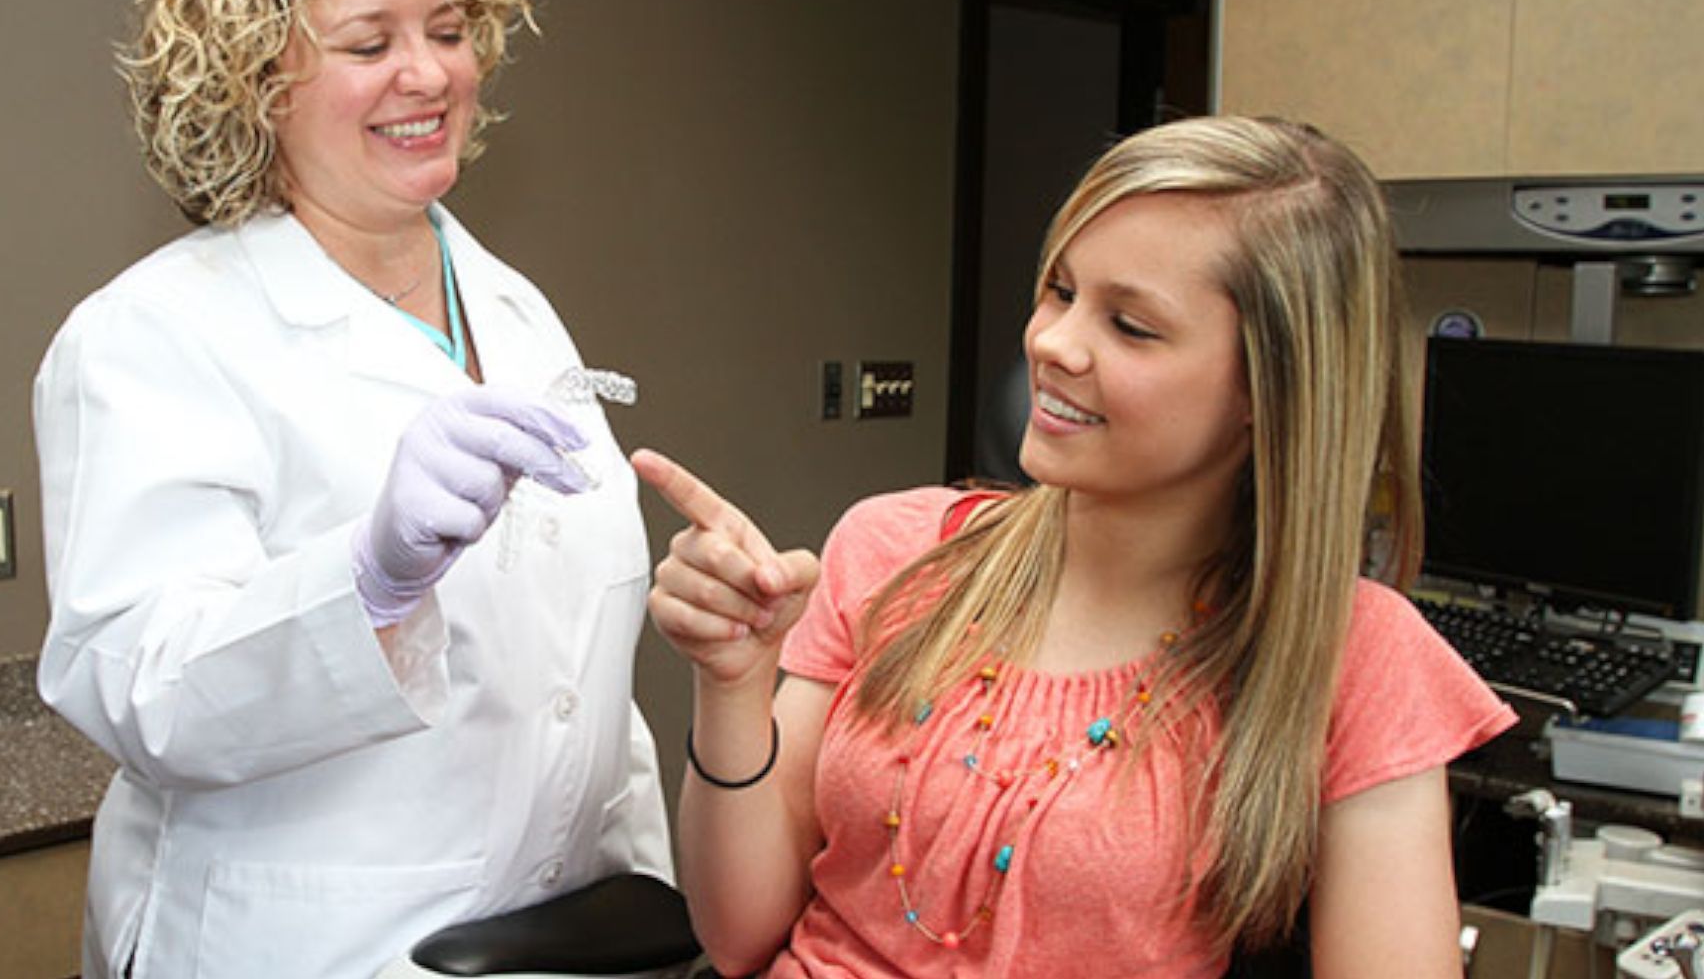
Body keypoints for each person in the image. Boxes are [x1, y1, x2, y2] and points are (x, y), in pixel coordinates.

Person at [634, 116, 1517, 977]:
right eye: (1060, 291)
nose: (1052, 344)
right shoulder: (892, 548)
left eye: (1130, 326)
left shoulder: (1353, 657)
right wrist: (735, 684)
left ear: (1268, 388)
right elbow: (740, 937)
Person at [33, 0, 668, 976]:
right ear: (252, 73)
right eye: (370, 43)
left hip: (553, 940)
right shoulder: (149, 337)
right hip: (300, 948)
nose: (427, 75)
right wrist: (366, 584)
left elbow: (576, 681)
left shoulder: (517, 315)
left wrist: (648, 895)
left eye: (451, 30)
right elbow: (140, 690)